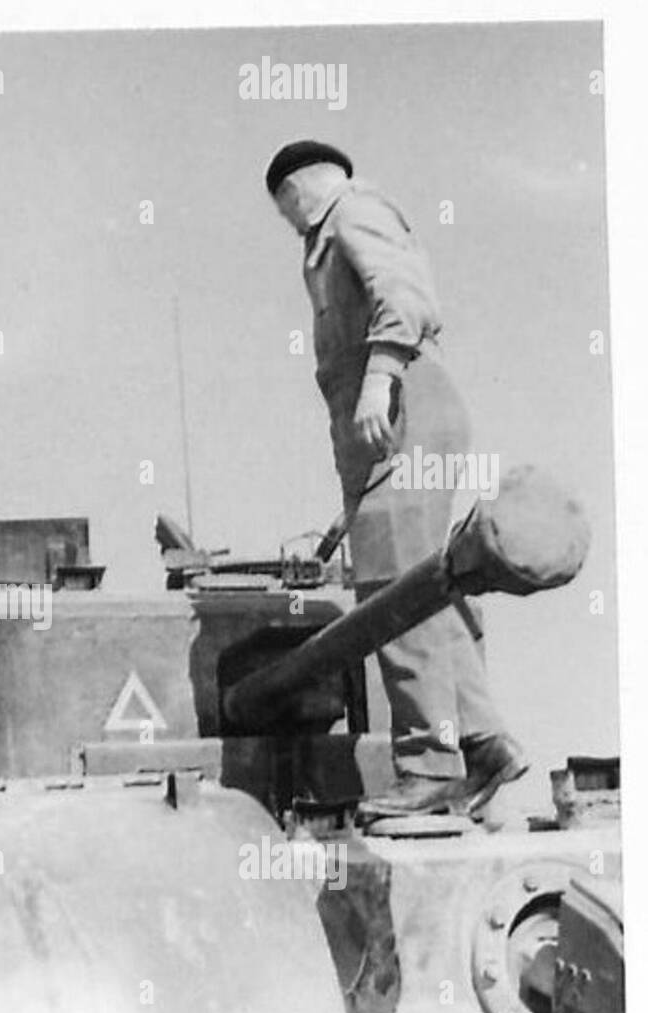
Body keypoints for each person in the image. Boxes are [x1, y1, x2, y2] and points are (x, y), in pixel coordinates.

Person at [265, 140, 526, 820]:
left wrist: (380, 378)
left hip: (405, 407)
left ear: (294, 189)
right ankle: (482, 741)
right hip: (387, 435)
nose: (287, 220)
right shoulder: (325, 240)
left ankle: (430, 764)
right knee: (422, 585)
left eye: (283, 206)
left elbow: (404, 296)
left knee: (390, 591)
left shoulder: (352, 213)